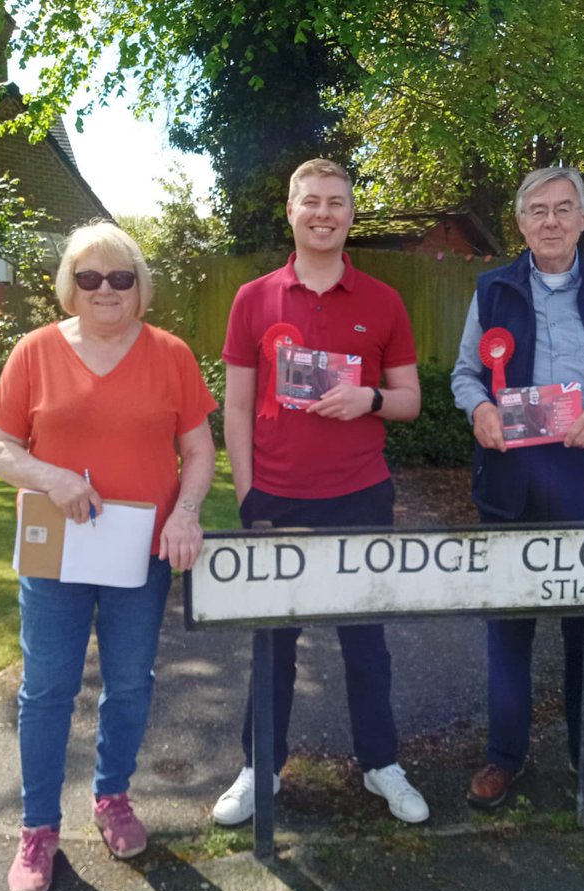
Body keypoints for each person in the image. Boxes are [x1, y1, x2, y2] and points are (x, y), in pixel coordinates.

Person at [0, 221, 217, 891]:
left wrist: (187, 512)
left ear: (140, 286)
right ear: (70, 287)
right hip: (55, 550)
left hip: (139, 556)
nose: (106, 289)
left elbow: (199, 450)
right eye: (89, 277)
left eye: (121, 277)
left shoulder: (170, 354)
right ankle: (38, 829)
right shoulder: (35, 352)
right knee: (48, 688)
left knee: (132, 682)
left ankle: (112, 796)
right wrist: (50, 476)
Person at [213, 158, 430, 826]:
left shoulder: (383, 302)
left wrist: (367, 397)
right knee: (272, 642)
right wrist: (248, 495)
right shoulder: (252, 299)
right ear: (291, 210)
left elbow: (410, 401)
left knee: (366, 639)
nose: (324, 213)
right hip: (276, 496)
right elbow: (238, 409)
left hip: (361, 495)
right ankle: (258, 771)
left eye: (336, 202)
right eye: (311, 201)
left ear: (351, 214)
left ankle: (380, 765)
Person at [451, 167, 584, 812]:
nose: (550, 221)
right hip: (512, 482)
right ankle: (504, 758)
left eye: (563, 209)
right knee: (509, 630)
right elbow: (467, 375)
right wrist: (480, 411)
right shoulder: (492, 291)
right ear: (519, 223)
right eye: (537, 210)